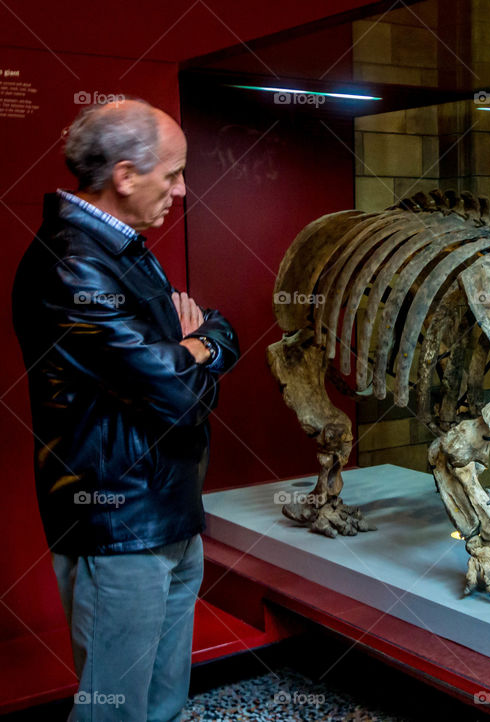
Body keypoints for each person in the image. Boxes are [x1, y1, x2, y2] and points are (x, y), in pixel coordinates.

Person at [11, 99, 239, 722]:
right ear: (126, 175)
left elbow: (209, 336)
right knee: (113, 710)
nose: (182, 189)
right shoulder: (73, 264)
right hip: (118, 525)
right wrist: (197, 348)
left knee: (162, 702)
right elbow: (176, 393)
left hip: (167, 512)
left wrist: (194, 346)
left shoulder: (121, 249)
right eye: (174, 173)